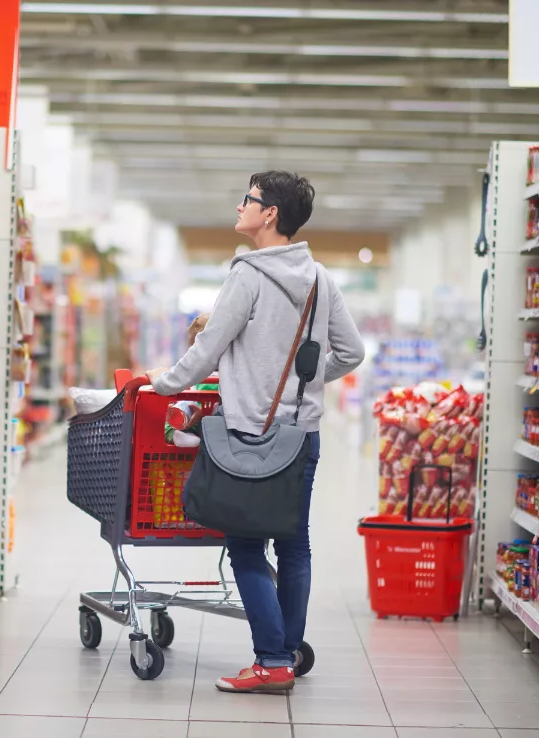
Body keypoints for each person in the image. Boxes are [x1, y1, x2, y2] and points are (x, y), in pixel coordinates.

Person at [145, 171, 365, 694]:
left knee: (245, 548)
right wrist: (304, 384)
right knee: (294, 546)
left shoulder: (247, 275)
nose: (240, 205)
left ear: (269, 215)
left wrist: (163, 383)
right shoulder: (319, 278)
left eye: (248, 199)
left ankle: (271, 661)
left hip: (249, 433)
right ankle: (285, 651)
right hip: (300, 435)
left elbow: (208, 350)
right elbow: (352, 352)